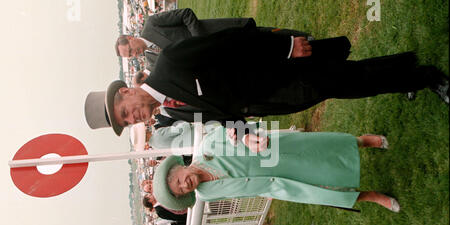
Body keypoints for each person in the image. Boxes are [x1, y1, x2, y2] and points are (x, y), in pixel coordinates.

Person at [85, 27, 448, 139]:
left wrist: (285, 46)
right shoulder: (172, 111)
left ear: (126, 91)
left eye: (124, 111)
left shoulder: (170, 62)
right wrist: (244, 133)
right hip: (280, 99)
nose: (133, 117)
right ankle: (409, 73)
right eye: (127, 122)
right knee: (351, 83)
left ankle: (429, 77)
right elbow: (220, 114)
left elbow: (231, 42)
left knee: (353, 82)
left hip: (284, 71)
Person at [152, 126, 400, 213]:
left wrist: (245, 134)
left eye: (179, 181)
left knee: (323, 148)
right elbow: (236, 191)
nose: (185, 186)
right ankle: (371, 196)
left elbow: (236, 126)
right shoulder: (204, 194)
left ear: (179, 169)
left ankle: (362, 141)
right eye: (181, 190)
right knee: (324, 191)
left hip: (275, 153)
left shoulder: (207, 145)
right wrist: (263, 192)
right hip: (276, 184)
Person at [115, 8, 311, 70]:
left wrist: (199, 43)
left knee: (264, 36)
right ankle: (299, 59)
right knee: (260, 57)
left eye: (131, 50)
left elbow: (186, 14)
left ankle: (305, 38)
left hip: (219, 34)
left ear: (131, 38)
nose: (135, 54)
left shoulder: (152, 24)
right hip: (218, 58)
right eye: (131, 56)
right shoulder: (152, 62)